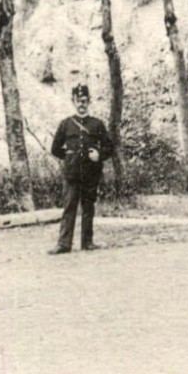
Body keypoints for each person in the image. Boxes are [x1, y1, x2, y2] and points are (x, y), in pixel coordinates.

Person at [49, 84, 114, 255]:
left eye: (84, 101)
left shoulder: (97, 124)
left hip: (91, 173)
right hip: (72, 174)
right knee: (69, 207)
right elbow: (55, 149)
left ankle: (87, 242)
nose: (81, 104)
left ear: (89, 101)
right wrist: (70, 157)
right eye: (78, 101)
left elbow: (110, 147)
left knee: (88, 207)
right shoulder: (65, 124)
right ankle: (64, 244)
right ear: (73, 102)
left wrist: (99, 155)